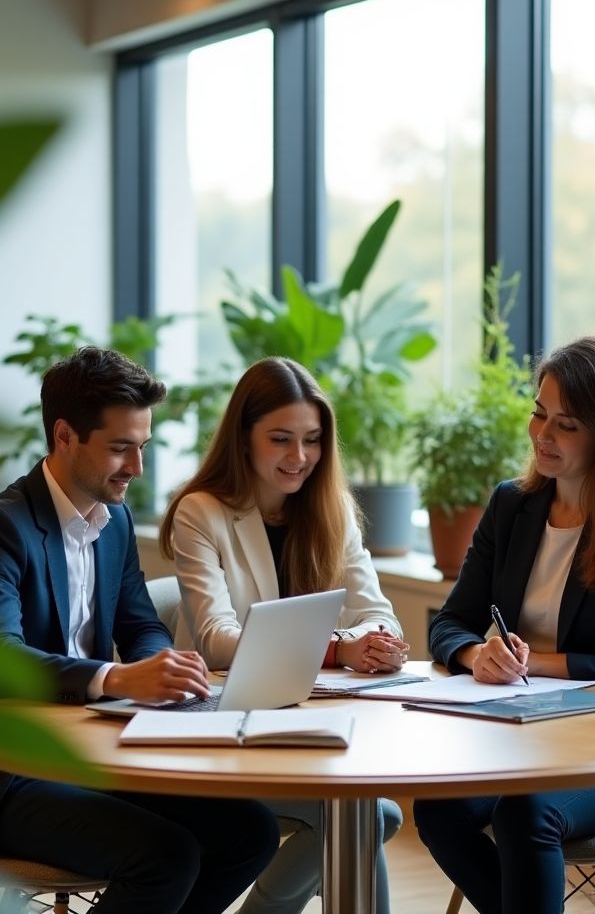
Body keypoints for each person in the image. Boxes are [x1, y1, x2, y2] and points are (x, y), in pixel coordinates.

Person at [0, 346, 279, 914]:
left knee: (248, 833)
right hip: (3, 775)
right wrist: (118, 677)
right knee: (165, 856)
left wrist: (165, 668)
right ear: (65, 435)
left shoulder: (115, 520)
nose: (137, 468)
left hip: (92, 750)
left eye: (142, 447)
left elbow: (138, 620)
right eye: (120, 448)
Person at [413, 335, 595, 914]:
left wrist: (548, 664)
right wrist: (476, 655)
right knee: (438, 808)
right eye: (539, 413)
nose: (542, 435)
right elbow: (450, 623)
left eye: (566, 425)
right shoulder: (511, 506)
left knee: (525, 812)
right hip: (524, 746)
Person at [159, 356, 409, 914]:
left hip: (309, 725)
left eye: (313, 440)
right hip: (223, 730)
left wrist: (377, 641)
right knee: (372, 815)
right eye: (280, 439)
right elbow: (218, 639)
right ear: (243, 437)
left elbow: (379, 613)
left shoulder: (332, 508)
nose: (300, 458)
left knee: (368, 814)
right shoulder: (202, 512)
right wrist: (340, 647)